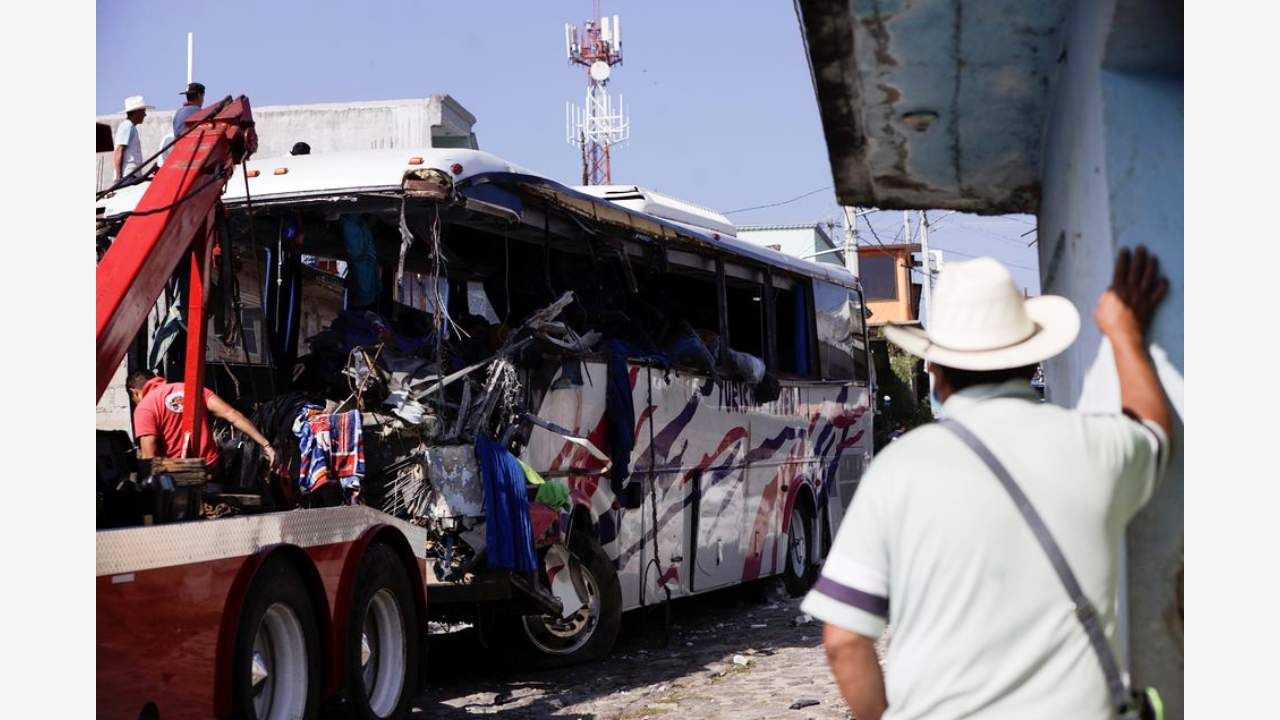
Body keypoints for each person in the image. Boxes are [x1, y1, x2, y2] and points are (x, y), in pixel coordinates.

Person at [803, 247, 1172, 720]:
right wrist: (1124, 333)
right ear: (1031, 360)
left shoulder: (899, 469)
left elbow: (845, 639)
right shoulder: (1095, 446)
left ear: (934, 373)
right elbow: (1154, 428)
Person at [127, 370, 277, 472]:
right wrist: (267, 445)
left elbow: (148, 459)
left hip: (176, 476)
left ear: (134, 391)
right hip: (210, 467)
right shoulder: (192, 389)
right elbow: (232, 414)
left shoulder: (144, 407)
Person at [113, 95, 153, 180]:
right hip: (127, 176)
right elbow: (119, 150)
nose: (145, 115)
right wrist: (119, 177)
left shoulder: (130, 126)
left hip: (131, 175)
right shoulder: (127, 126)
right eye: (143, 112)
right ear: (137, 112)